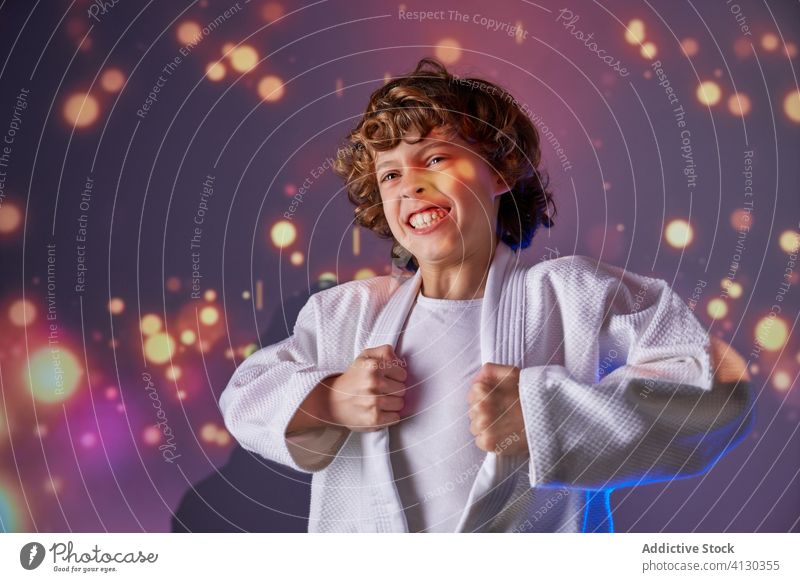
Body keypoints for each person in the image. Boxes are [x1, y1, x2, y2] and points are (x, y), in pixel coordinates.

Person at [219, 58, 753, 532]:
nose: (409, 184)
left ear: (499, 169)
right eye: (388, 175)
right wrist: (332, 399)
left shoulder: (574, 295)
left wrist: (548, 415)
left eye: (434, 159)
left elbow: (718, 391)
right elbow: (246, 398)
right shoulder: (347, 315)